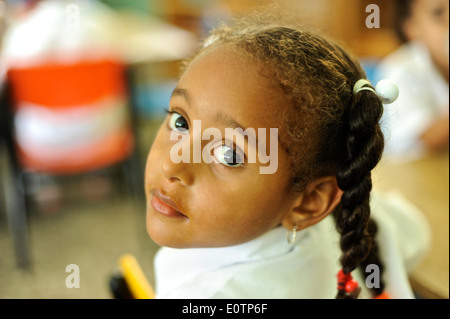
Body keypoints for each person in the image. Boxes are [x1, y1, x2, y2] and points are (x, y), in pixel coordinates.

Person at [144, 14, 429, 299]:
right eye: (180, 122)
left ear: (311, 202)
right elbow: (417, 232)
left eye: (228, 155)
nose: (171, 163)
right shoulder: (353, 215)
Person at [377, 0, 449, 160]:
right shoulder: (400, 69)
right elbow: (425, 139)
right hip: (410, 175)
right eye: (438, 13)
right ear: (411, 28)